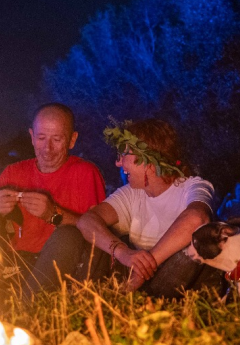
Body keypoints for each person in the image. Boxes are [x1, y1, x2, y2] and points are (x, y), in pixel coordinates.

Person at [78, 118, 218, 295]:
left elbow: (197, 218)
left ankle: (145, 300)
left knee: (198, 245)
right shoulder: (132, 193)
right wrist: (123, 253)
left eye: (124, 155)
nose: (118, 163)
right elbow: (87, 221)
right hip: (137, 279)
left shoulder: (192, 187)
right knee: (94, 236)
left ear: (148, 161)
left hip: (177, 282)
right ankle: (90, 296)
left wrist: (145, 266)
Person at [0, 104, 105, 298]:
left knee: (68, 235)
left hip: (62, 264)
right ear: (32, 137)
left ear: (72, 140)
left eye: (57, 139)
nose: (47, 148)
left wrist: (53, 215)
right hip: (16, 263)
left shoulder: (85, 173)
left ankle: (26, 307)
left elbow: (99, 234)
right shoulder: (13, 173)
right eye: (41, 138)